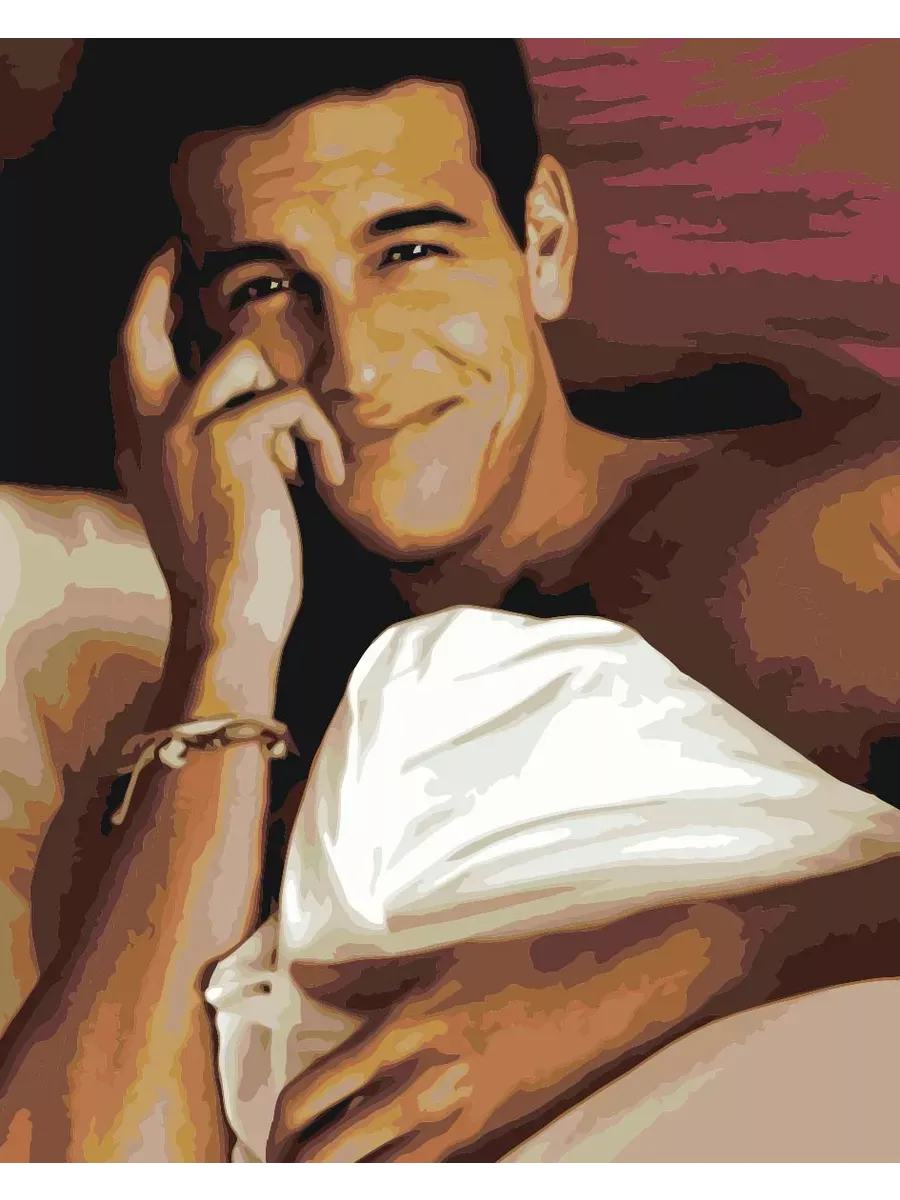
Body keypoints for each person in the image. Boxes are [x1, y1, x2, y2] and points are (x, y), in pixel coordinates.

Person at [0, 34, 898, 1165]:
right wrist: (226, 626)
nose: (357, 364)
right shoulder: (205, 765)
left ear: (543, 243)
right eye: (269, 288)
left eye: (411, 251)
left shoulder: (840, 521)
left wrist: (652, 974)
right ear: (189, 341)